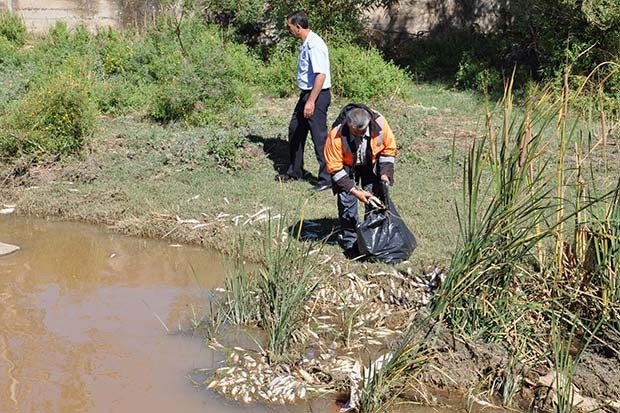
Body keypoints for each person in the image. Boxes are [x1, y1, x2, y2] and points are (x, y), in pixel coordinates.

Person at [324, 104, 397, 257]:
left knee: (374, 199)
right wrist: (355, 191)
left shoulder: (380, 124)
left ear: (369, 122)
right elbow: (335, 169)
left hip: (370, 163)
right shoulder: (336, 134)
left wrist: (384, 175)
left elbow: (388, 150)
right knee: (346, 201)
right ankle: (351, 241)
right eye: (355, 133)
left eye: (363, 133)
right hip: (345, 165)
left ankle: (372, 237)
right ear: (348, 124)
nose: (359, 137)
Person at [275, 11, 332, 192]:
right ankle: (295, 171)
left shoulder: (315, 45)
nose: (288, 30)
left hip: (317, 95)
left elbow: (320, 76)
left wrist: (311, 101)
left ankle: (327, 178)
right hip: (307, 95)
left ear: (298, 27)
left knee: (319, 137)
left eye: (289, 27)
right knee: (295, 130)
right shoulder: (306, 43)